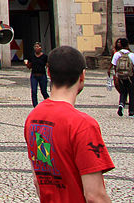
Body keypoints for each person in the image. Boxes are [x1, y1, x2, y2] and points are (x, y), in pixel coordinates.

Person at [24, 45, 114, 202]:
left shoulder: (32, 118)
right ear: (82, 76)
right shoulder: (83, 125)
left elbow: (38, 181)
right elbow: (95, 195)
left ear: (49, 73)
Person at [110, 37, 133, 117]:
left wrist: (115, 74)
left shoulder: (117, 54)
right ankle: (131, 111)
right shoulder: (131, 55)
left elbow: (114, 65)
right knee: (131, 92)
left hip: (120, 76)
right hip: (130, 76)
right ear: (127, 45)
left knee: (123, 92)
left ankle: (121, 105)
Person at [26, 41, 49, 107]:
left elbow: (47, 65)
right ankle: (35, 106)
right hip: (34, 75)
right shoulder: (32, 56)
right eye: (35, 47)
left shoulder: (44, 57)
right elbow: (29, 66)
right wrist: (27, 64)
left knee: (44, 91)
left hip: (42, 75)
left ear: (40, 48)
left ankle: (49, 103)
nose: (36, 48)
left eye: (37, 46)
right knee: (34, 91)